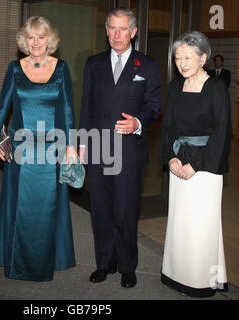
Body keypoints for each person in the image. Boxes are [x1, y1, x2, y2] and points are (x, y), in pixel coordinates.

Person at [79, 8, 162, 288]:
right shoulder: (93, 63)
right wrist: (82, 143)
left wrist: (138, 122)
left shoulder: (147, 66)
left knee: (126, 211)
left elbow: (154, 106)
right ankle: (105, 263)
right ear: (106, 30)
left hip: (129, 149)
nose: (117, 34)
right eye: (112, 28)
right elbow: (86, 107)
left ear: (133, 32)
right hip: (99, 146)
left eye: (123, 29)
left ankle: (127, 265)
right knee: (100, 209)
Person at [0, 16, 76, 281]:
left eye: (41, 37)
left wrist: (71, 145)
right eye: (31, 37)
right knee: (20, 206)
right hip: (21, 151)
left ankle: (46, 260)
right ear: (24, 41)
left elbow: (67, 109)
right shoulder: (15, 68)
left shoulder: (61, 68)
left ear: (49, 40)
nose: (36, 42)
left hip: (52, 151)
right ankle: (18, 261)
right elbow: (3, 105)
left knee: (48, 208)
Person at [159, 31, 231, 298]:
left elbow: (222, 132)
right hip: (179, 163)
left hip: (205, 169)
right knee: (180, 222)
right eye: (178, 58)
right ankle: (176, 273)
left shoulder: (216, 88)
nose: (182, 63)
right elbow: (167, 128)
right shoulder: (176, 87)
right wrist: (172, 158)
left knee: (202, 225)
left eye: (188, 57)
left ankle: (201, 279)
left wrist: (196, 164)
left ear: (203, 57)